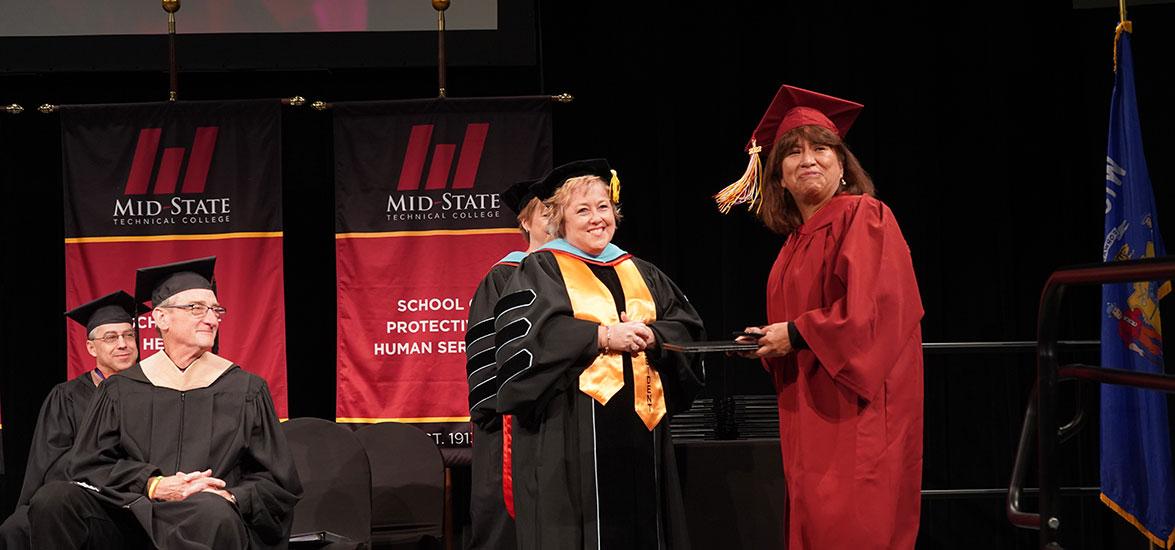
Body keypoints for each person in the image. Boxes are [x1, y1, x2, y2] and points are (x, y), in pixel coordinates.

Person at [720, 84, 924, 549]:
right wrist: (772, 340)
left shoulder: (864, 216)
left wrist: (794, 333)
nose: (807, 159)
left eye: (821, 148)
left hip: (857, 414)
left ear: (841, 163)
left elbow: (874, 312)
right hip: (810, 414)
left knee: (852, 525)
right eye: (792, 153)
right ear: (779, 177)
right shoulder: (792, 245)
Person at [493, 159, 705, 549]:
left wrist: (652, 336)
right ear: (560, 219)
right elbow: (529, 342)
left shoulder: (641, 270)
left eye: (603, 207)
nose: (597, 218)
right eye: (583, 210)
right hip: (567, 431)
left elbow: (686, 327)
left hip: (642, 429)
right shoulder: (539, 269)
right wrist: (602, 336)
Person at [27, 256, 302, 550]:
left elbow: (277, 482)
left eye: (215, 310)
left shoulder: (245, 388)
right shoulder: (120, 389)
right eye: (196, 308)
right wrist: (152, 484)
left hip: (207, 515)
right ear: (160, 318)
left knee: (210, 512)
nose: (211, 319)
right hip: (133, 513)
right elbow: (89, 465)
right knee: (55, 501)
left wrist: (231, 496)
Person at [0, 291, 144, 549]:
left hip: (138, 496)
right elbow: (53, 463)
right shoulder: (66, 397)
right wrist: (100, 471)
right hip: (83, 495)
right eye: (111, 337)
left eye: (128, 335)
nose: (122, 344)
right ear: (91, 347)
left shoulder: (152, 390)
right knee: (16, 528)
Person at [464, 176, 551, 549]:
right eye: (542, 212)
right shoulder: (503, 278)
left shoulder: (583, 278)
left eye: (558, 211)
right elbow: (487, 367)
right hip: (512, 429)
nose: (552, 219)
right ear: (525, 222)